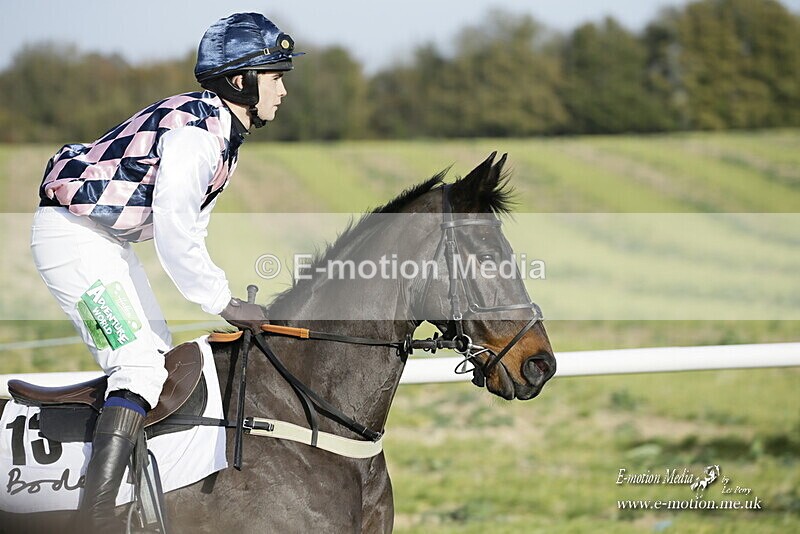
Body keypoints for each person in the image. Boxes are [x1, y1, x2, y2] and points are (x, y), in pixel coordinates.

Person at [30, 12, 300, 532]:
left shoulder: (222, 136)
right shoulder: (198, 136)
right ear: (240, 80)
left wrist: (222, 297)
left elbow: (190, 235)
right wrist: (224, 302)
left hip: (102, 241)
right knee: (138, 370)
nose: (283, 91)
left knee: (156, 359)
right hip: (73, 238)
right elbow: (176, 235)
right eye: (275, 77)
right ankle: (98, 518)